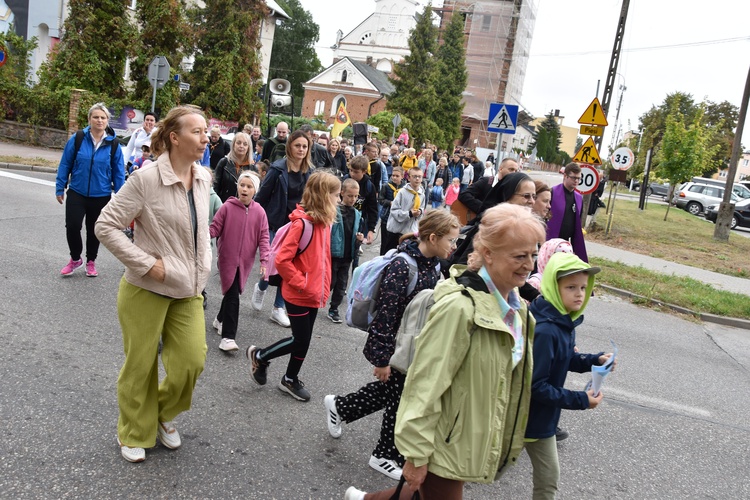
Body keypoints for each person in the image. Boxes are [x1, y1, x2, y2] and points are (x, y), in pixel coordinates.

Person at [345, 203, 544, 500]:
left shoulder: (518, 311)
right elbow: (425, 383)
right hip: (442, 442)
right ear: (487, 253)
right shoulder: (459, 307)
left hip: (470, 438)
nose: (529, 264)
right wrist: (415, 453)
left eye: (533, 254)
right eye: (519, 256)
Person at [94, 106, 212, 463]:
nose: (206, 137)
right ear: (174, 138)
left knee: (192, 362)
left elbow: (201, 230)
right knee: (140, 364)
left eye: (206, 131)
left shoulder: (204, 176)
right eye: (197, 131)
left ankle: (159, 412)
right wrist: (147, 264)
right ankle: (133, 430)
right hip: (146, 287)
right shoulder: (146, 179)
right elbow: (106, 226)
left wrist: (205, 266)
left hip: (188, 289)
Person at [326, 210, 460, 481]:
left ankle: (340, 407)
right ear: (432, 237)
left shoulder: (433, 264)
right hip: (396, 347)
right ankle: (384, 455)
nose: (454, 246)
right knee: (399, 400)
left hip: (414, 346)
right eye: (451, 240)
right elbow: (385, 317)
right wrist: (382, 359)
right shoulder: (403, 266)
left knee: (394, 394)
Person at [525, 252, 614, 499]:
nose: (579, 294)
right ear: (554, 287)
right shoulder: (547, 330)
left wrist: (595, 360)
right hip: (529, 420)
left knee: (546, 481)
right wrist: (582, 400)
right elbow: (536, 386)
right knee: (492, 472)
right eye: (571, 287)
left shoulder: (562, 321)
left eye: (584, 287)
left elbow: (563, 360)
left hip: (541, 419)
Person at [246, 171, 340, 402]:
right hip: (297, 293)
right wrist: (303, 283)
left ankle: (290, 378)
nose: (338, 200)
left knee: (304, 340)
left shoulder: (325, 224)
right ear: (324, 196)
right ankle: (261, 355)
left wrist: (323, 288)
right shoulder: (302, 225)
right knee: (299, 339)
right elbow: (282, 260)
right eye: (336, 195)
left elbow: (325, 261)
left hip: (313, 293)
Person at [56, 102, 126, 278]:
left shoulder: (114, 144)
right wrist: (60, 186)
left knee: (94, 230)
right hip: (77, 192)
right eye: (96, 117)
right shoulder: (78, 138)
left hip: (101, 195)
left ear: (107, 121)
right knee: (72, 226)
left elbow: (118, 172)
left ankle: (91, 261)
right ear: (89, 119)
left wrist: (121, 196)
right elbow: (66, 163)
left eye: (103, 117)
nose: (99, 120)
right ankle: (75, 259)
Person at [252, 130, 313, 328]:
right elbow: (261, 197)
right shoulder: (277, 170)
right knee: (272, 264)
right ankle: (261, 286)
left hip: (297, 226)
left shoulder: (310, 172)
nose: (301, 150)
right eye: (298, 146)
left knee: (288, 267)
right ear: (290, 147)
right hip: (275, 223)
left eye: (305, 146)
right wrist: (255, 220)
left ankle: (278, 308)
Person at [210, 171, 270, 352]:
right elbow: (214, 228)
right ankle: (228, 337)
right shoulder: (227, 207)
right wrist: (202, 235)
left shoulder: (260, 212)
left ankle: (220, 319)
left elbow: (264, 237)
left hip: (245, 261)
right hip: (227, 258)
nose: (244, 189)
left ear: (255, 191)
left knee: (231, 291)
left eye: (249, 186)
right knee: (233, 293)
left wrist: (264, 261)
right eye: (242, 185)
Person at [328, 178, 365, 323]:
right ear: (342, 193)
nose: (353, 199)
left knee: (341, 284)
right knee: (330, 282)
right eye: (350, 195)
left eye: (356, 196)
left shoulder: (357, 213)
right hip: (335, 253)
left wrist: (359, 238)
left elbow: (357, 230)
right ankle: (315, 301)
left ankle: (334, 309)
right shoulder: (334, 210)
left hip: (348, 255)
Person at [548, 163, 588, 262]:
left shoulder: (578, 198)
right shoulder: (552, 192)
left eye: (579, 178)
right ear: (565, 176)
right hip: (550, 240)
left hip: (566, 243)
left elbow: (578, 222)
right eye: (573, 178)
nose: (576, 181)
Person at [386, 166, 426, 248]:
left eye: (419, 177)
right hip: (396, 231)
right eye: (414, 176)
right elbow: (394, 210)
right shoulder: (402, 192)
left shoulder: (422, 194)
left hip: (410, 231)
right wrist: (409, 214)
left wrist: (420, 212)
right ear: (408, 178)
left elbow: (422, 208)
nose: (417, 179)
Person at [213, 132, 254, 203]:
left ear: (248, 148)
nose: (241, 146)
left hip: (242, 209)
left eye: (245, 144)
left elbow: (255, 193)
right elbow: (215, 186)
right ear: (233, 145)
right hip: (223, 206)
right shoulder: (224, 163)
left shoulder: (252, 168)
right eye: (238, 143)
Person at [379, 167, 404, 255]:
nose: (394, 178)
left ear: (402, 176)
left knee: (396, 243)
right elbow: (380, 200)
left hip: (398, 218)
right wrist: (389, 203)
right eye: (393, 175)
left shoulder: (405, 188)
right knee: (385, 242)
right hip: (387, 216)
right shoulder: (386, 186)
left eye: (397, 176)